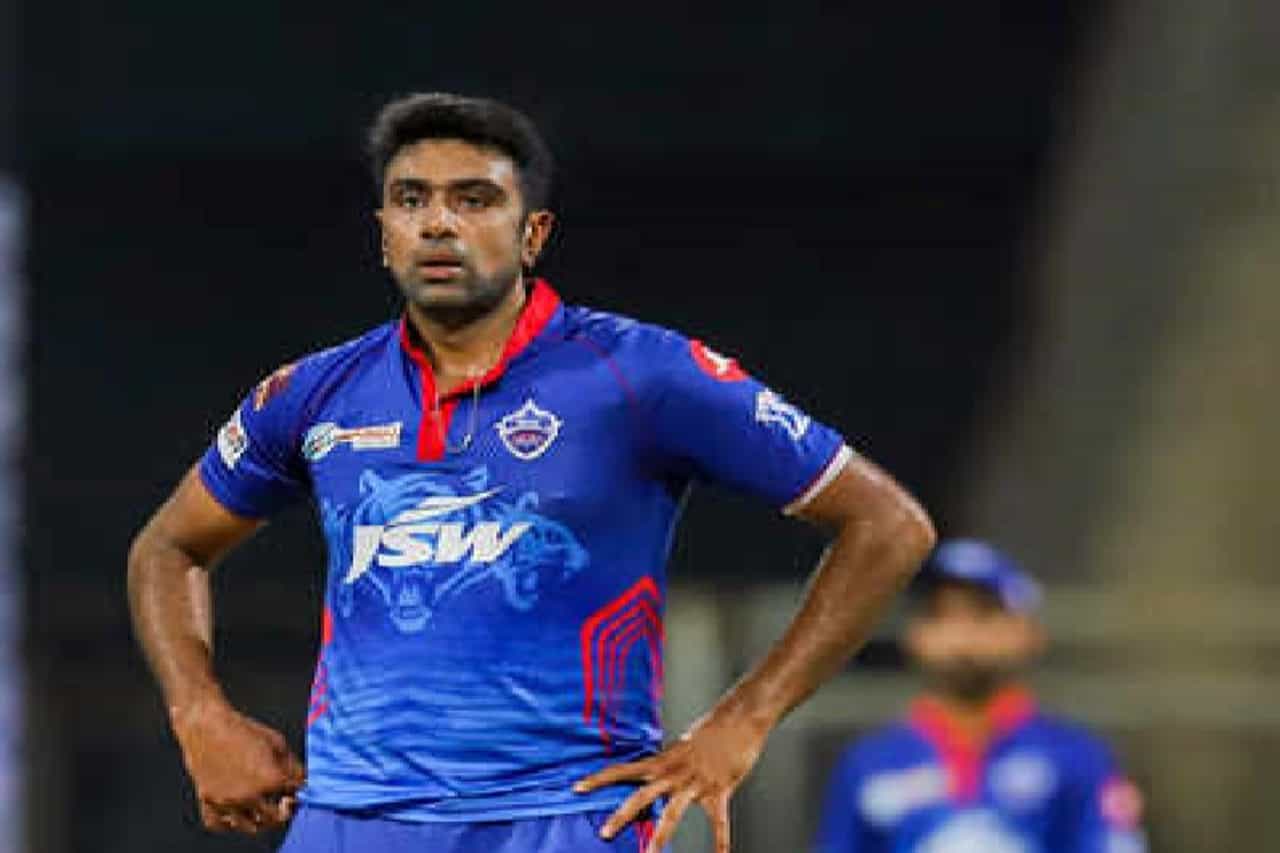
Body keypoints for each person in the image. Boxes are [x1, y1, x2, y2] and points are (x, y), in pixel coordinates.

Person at [126, 92, 936, 853]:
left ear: (533, 234)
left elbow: (889, 524)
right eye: (411, 200)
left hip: (563, 816)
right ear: (383, 233)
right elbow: (167, 548)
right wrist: (199, 714)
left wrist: (744, 719)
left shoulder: (640, 375)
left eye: (474, 199)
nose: (438, 223)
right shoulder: (312, 394)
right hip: (350, 819)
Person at [815, 539, 1147, 853]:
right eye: (940, 615)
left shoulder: (1077, 755)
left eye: (983, 614)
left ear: (1028, 632)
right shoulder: (868, 762)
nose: (962, 636)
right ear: (915, 634)